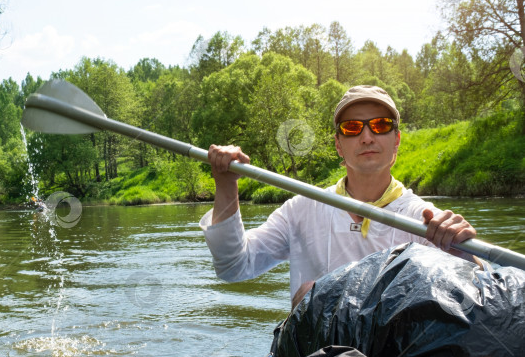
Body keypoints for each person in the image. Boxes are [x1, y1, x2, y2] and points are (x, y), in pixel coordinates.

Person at [200, 85, 478, 308]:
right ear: (338, 145)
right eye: (352, 128)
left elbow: (473, 298)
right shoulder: (301, 209)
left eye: (380, 125)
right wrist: (226, 185)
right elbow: (234, 267)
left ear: (396, 140)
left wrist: (466, 256)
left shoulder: (424, 221)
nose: (367, 137)